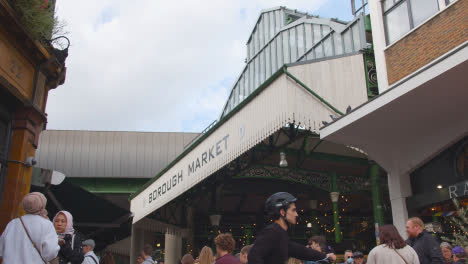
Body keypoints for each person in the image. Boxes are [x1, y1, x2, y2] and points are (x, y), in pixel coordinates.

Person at [248, 192, 336, 264]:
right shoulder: (271, 232)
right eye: (293, 210)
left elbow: (300, 251)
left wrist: (324, 256)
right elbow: (253, 257)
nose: (296, 214)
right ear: (282, 212)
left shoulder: (280, 234)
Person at [0, 192, 60, 263]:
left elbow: (1, 248)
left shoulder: (13, 223)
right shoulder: (46, 225)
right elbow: (51, 252)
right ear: (42, 206)